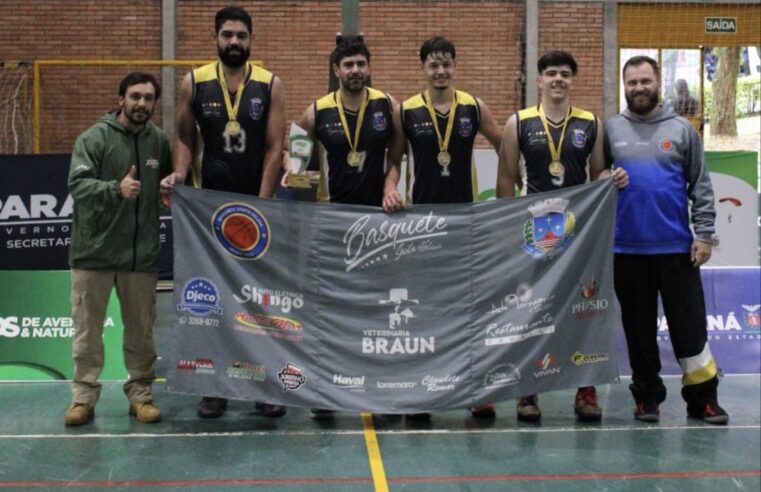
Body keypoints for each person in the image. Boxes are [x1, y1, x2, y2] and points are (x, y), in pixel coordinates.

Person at [160, 6, 286, 419]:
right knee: (211, 302)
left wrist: (262, 203)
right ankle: (214, 386)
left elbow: (274, 147)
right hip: (207, 213)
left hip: (256, 212)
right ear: (216, 38)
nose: (235, 42)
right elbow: (182, 137)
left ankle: (267, 385)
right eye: (227, 35)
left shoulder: (270, 84)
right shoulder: (193, 82)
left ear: (252, 39)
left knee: (259, 302)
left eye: (241, 36)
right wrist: (179, 174)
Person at [496, 50, 629, 423]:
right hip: (532, 236)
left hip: (577, 234)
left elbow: (598, 175)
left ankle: (585, 390)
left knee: (582, 311)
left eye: (565, 74)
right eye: (551, 73)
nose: (558, 79)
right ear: (539, 81)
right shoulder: (518, 123)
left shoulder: (591, 124)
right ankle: (526, 392)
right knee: (529, 313)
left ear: (573, 80)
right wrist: (508, 232)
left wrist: (611, 179)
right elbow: (506, 179)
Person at [284, 35, 404, 419]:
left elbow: (397, 157)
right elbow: (298, 161)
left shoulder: (388, 106)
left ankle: (382, 389)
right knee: (330, 312)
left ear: (369, 67)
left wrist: (389, 186)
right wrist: (293, 173)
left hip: (377, 226)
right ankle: (325, 391)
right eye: (348, 65)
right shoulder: (316, 112)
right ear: (336, 70)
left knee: (377, 311)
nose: (355, 71)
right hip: (332, 225)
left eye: (360, 64)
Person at [383, 36, 502, 419]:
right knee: (426, 311)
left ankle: (475, 388)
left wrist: (511, 192)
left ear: (455, 65)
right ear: (423, 68)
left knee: (471, 309)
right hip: (422, 226)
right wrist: (389, 188)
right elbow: (395, 160)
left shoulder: (473, 106)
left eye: (446, 63)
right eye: (433, 64)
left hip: (466, 224)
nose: (441, 70)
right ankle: (423, 390)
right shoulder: (407, 110)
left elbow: (506, 144)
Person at [605, 55, 728, 425]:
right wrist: (604, 177)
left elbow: (701, 186)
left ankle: (702, 399)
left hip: (677, 250)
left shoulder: (682, 130)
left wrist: (704, 235)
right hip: (626, 251)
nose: (639, 88)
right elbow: (595, 175)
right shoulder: (610, 129)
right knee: (638, 331)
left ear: (657, 82)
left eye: (645, 81)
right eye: (632, 82)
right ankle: (646, 398)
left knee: (689, 328)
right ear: (623, 86)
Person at [64, 72, 171, 426]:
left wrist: (170, 186)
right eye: (135, 96)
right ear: (121, 98)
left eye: (148, 98)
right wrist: (115, 188)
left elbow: (168, 182)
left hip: (140, 258)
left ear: (155, 103)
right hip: (93, 255)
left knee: (141, 331)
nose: (141, 104)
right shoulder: (94, 138)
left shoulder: (159, 142)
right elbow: (78, 185)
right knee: (87, 331)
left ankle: (140, 394)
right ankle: (83, 397)